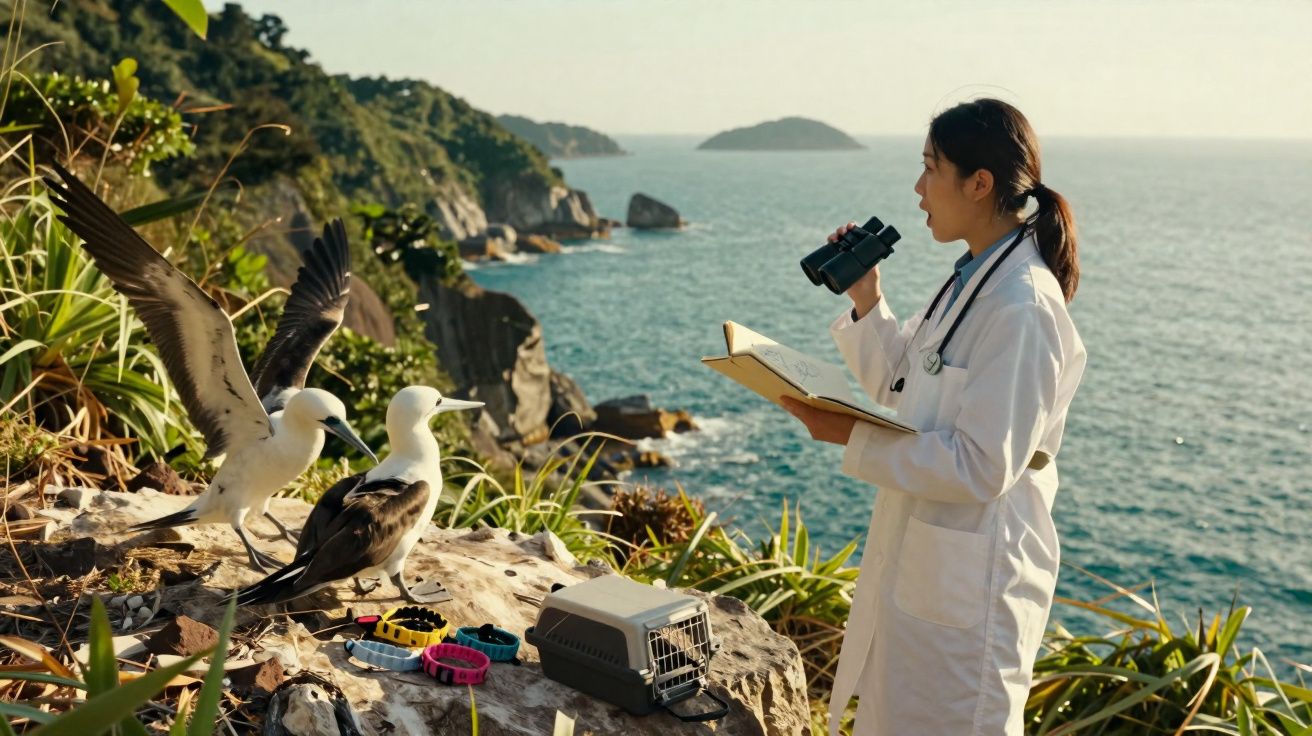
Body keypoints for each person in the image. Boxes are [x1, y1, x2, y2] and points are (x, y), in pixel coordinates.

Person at [780, 97, 1087, 735]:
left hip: (974, 587)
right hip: (928, 565)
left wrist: (850, 433)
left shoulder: (1022, 307)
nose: (918, 188)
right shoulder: (970, 279)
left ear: (980, 184)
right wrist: (867, 294)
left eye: (930, 168)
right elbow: (905, 382)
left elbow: (983, 467)